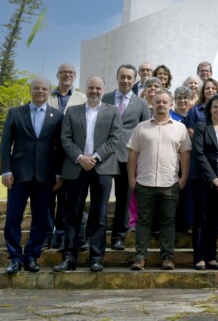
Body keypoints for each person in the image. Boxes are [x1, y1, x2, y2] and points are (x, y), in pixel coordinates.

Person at [54, 76, 120, 273]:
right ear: (86, 89)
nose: (94, 91)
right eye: (91, 87)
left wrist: (96, 157)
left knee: (99, 214)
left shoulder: (112, 111)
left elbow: (114, 138)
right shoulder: (72, 112)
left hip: (102, 168)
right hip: (76, 168)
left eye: (98, 88)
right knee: (72, 214)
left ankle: (96, 258)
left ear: (103, 90)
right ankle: (69, 257)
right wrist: (80, 157)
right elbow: (65, 138)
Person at [0, 78, 64, 275]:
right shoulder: (15, 113)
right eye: (36, 88)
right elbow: (5, 144)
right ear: (30, 91)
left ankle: (31, 256)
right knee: (13, 217)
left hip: (45, 176)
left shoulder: (57, 116)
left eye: (44, 89)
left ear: (49, 92)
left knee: (41, 219)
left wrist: (58, 173)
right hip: (18, 175)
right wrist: (6, 170)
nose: (40, 91)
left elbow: (59, 148)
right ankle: (14, 258)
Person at [126, 90, 191, 271]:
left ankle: (167, 258)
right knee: (143, 222)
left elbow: (185, 154)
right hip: (144, 183)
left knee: (168, 222)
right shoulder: (141, 127)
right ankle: (140, 258)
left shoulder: (180, 128)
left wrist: (183, 178)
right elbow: (132, 154)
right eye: (158, 102)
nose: (161, 105)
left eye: (165, 102)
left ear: (171, 104)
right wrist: (132, 179)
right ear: (152, 104)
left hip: (169, 183)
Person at [102, 64, 150, 252]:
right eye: (123, 76)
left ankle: (118, 237)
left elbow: (145, 131)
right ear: (117, 77)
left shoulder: (141, 104)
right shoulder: (105, 99)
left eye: (130, 77)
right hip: (105, 155)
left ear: (134, 79)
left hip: (128, 157)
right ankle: (95, 235)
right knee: (101, 197)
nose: (126, 80)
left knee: (124, 198)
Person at [45, 63, 87, 251]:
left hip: (71, 155)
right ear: (57, 75)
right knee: (46, 198)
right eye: (63, 72)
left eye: (70, 72)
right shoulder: (47, 95)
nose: (67, 75)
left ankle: (62, 235)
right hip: (48, 153)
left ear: (75, 76)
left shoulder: (81, 98)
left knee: (67, 199)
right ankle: (46, 235)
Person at [189, 94, 218, 271]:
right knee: (201, 218)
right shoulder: (201, 127)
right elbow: (198, 154)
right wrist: (213, 178)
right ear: (209, 109)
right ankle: (199, 257)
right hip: (202, 178)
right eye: (215, 107)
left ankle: (211, 256)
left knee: (214, 219)